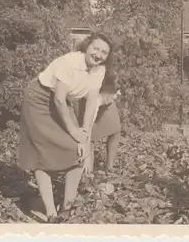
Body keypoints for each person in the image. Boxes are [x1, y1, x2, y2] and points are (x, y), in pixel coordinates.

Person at [17, 31, 115, 222]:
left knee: (77, 151)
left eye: (104, 52)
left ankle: (66, 208)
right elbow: (59, 99)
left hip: (60, 103)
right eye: (96, 48)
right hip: (39, 100)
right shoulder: (69, 63)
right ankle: (51, 212)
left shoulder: (99, 70)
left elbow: (91, 102)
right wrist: (73, 131)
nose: (98, 54)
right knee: (41, 155)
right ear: (87, 46)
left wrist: (84, 136)